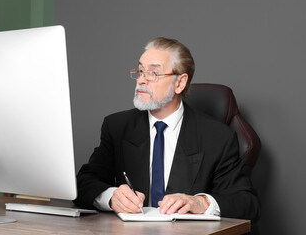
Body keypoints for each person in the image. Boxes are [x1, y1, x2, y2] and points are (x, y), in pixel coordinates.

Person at [75, 37, 260, 222]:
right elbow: (84, 182)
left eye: (153, 73)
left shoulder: (218, 137)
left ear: (180, 83)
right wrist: (111, 197)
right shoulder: (117, 126)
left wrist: (202, 203)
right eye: (140, 71)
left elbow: (246, 202)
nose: (141, 80)